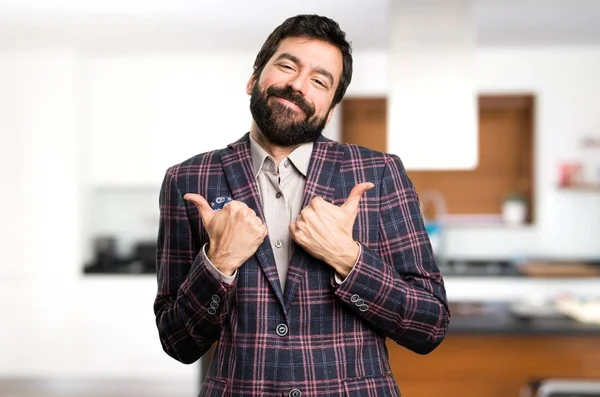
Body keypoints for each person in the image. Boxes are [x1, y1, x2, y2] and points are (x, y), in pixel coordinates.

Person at [154, 14, 450, 397]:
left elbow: (429, 326)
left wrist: (347, 257)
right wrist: (219, 263)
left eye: (319, 80)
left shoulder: (379, 173)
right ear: (254, 78)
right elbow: (177, 342)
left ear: (330, 107)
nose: (297, 85)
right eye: (287, 66)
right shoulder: (188, 180)